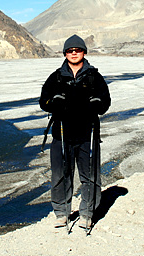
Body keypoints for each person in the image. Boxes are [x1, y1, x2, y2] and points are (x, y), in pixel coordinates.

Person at [39, 34, 111, 231]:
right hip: (62, 133)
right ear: (65, 53)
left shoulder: (94, 77)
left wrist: (97, 104)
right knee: (60, 175)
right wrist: (53, 102)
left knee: (90, 175)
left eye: (77, 50)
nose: (74, 53)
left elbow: (105, 102)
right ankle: (61, 213)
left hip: (88, 134)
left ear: (84, 52)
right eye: (70, 51)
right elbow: (43, 102)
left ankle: (88, 214)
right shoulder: (56, 77)